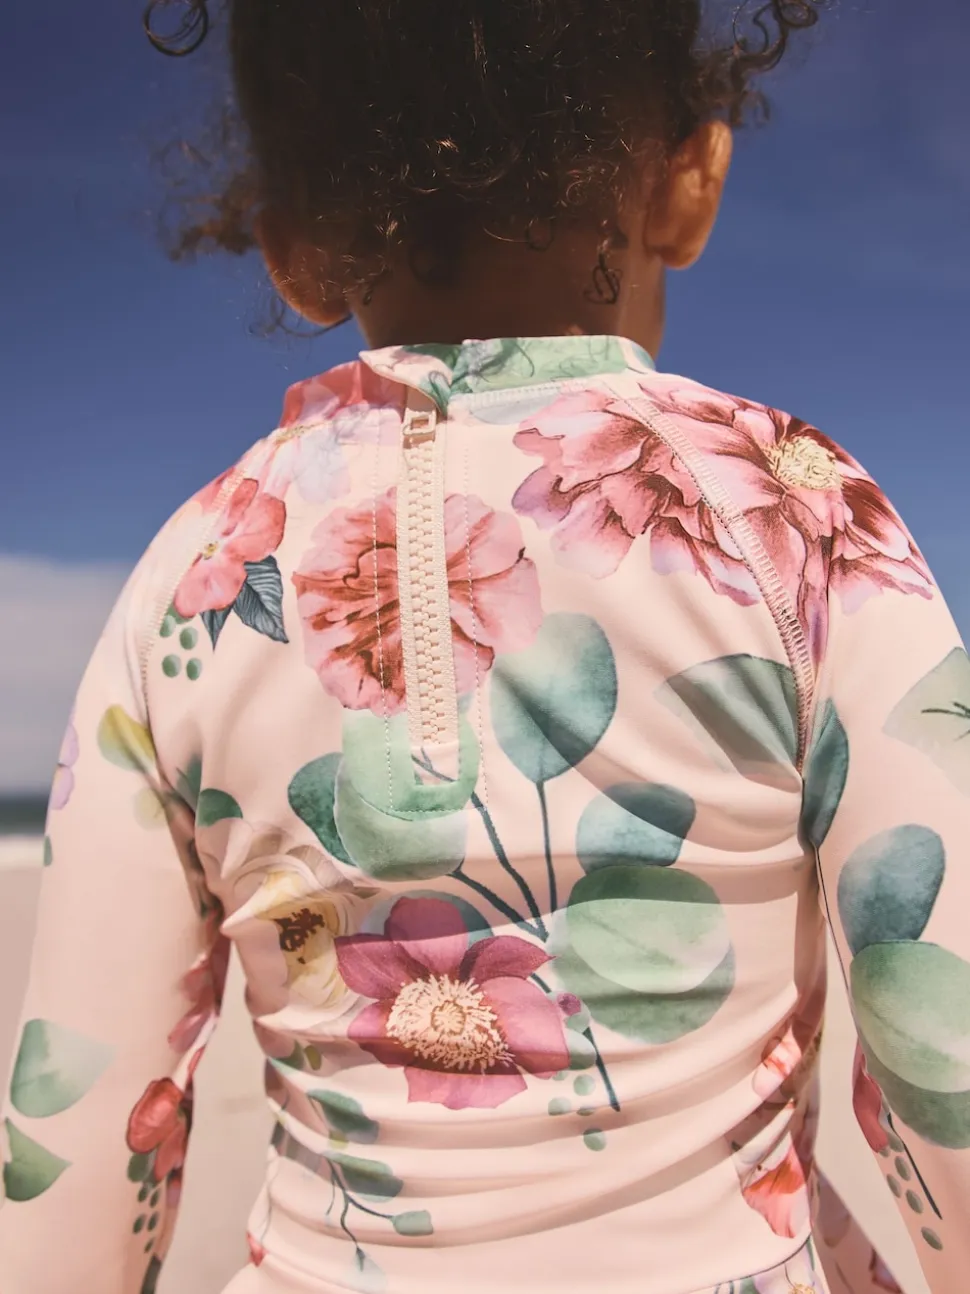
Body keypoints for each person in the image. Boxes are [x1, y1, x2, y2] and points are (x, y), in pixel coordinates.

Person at [1, 1, 966, 1290]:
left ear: (292, 251)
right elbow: (944, 1062)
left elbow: (79, 1131)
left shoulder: (193, 578)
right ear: (689, 183)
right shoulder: (793, 514)